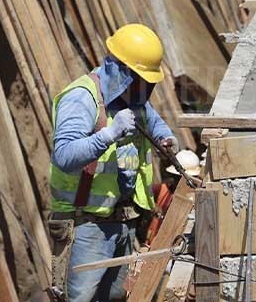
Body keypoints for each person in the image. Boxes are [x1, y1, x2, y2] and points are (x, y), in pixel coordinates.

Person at [48, 24, 178, 302]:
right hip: (85, 225)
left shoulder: (135, 100)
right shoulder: (83, 98)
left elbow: (155, 124)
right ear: (120, 71)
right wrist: (108, 134)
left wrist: (167, 140)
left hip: (122, 222)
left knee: (118, 297)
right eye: (141, 81)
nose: (146, 90)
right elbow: (64, 156)